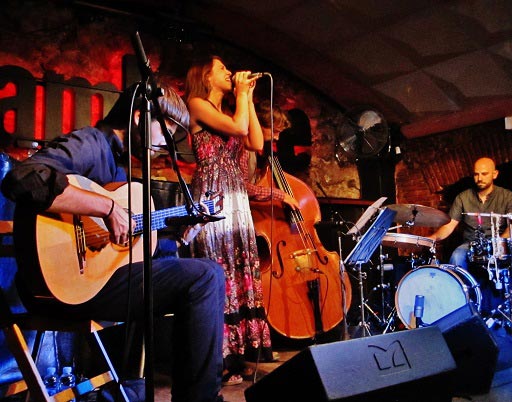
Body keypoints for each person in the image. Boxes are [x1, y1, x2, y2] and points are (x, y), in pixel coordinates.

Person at [1, 76, 226, 402]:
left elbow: (123, 249)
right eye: (165, 129)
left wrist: (174, 239)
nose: (167, 141)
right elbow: (22, 179)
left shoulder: (120, 167)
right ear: (138, 117)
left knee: (198, 273)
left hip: (94, 282)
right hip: (60, 285)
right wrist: (105, 206)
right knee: (206, 276)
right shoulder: (91, 143)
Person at [184, 56, 274, 386]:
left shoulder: (228, 112)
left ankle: (239, 354)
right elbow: (238, 129)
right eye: (222, 69)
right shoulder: (196, 104)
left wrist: (245, 97)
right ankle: (216, 356)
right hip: (211, 194)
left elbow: (255, 142)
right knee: (218, 271)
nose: (228, 72)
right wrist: (242, 97)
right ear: (206, 77)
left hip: (236, 195)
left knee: (239, 268)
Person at [429, 157, 512, 315]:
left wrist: (501, 242)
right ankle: (463, 309)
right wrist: (431, 239)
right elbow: (449, 225)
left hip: (500, 241)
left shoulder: (507, 196)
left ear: (495, 174)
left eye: (484, 174)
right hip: (471, 244)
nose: (479, 178)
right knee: (457, 256)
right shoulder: (463, 197)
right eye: (476, 174)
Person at [238, 100, 299, 210]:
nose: (277, 138)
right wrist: (280, 195)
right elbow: (241, 187)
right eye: (275, 131)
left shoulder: (252, 148)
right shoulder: (243, 146)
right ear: (259, 124)